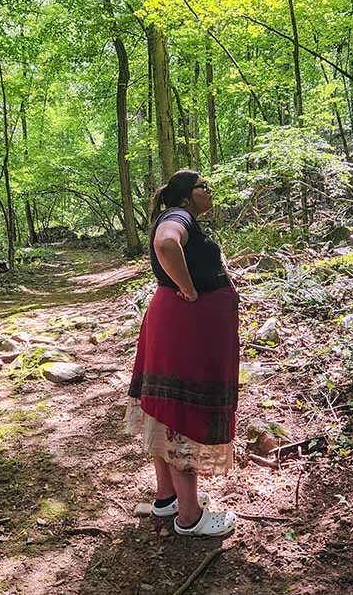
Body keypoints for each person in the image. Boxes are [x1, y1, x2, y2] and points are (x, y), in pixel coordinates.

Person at [125, 169, 240, 537]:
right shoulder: (178, 217)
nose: (210, 191)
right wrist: (189, 289)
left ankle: (168, 498)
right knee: (181, 410)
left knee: (166, 405)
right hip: (184, 329)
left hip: (175, 324)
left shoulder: (180, 216)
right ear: (187, 196)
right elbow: (166, 244)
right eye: (203, 186)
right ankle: (190, 516)